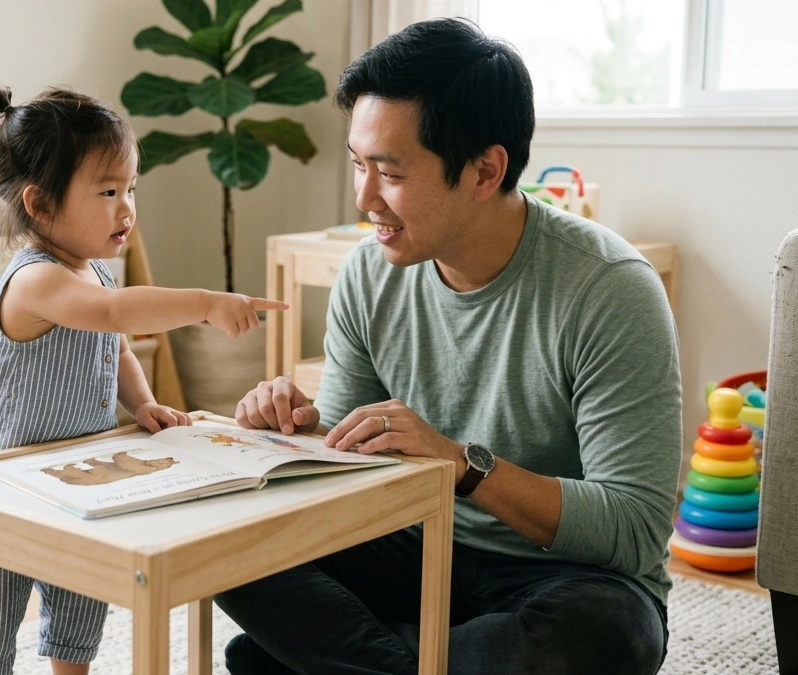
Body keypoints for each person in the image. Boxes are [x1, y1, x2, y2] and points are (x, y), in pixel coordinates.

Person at [218, 18, 680, 675]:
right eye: (358, 166)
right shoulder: (368, 272)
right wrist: (299, 425)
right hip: (415, 548)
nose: (364, 197)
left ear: (485, 170)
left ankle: (333, 661)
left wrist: (463, 465)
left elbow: (632, 529)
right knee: (228, 534)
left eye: (389, 173)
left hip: (561, 577)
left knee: (605, 635)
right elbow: (345, 472)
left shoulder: (609, 289)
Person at [0, 82, 288, 675]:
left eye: (130, 188)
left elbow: (117, 347)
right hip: (0, 484)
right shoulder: (37, 282)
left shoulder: (95, 274)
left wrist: (143, 403)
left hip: (77, 477)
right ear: (41, 205)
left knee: (81, 604)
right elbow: (111, 315)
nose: (126, 207)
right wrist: (206, 301)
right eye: (108, 192)